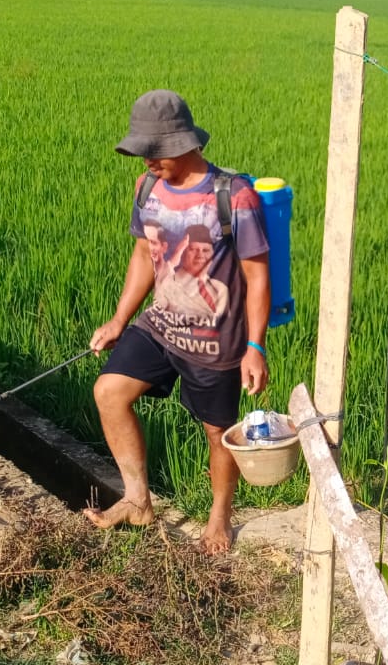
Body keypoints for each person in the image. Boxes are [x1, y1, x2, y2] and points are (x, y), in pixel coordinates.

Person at [86, 90, 270, 554]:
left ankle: (219, 517)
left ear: (185, 143)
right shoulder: (147, 189)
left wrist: (255, 347)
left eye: (157, 150)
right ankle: (137, 501)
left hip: (215, 342)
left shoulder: (234, 196)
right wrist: (119, 319)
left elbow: (257, 275)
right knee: (109, 392)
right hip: (160, 326)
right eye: (143, 151)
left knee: (217, 433)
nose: (148, 160)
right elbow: (144, 254)